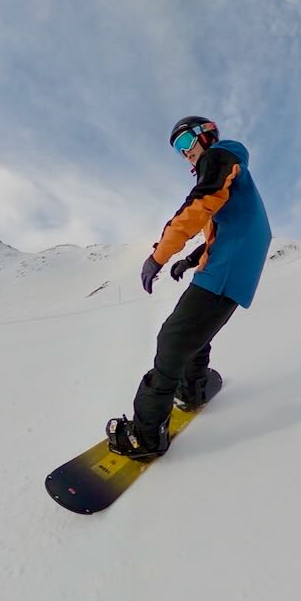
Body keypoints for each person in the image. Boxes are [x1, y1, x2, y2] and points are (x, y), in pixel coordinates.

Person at [106, 116, 272, 460]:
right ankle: (193, 388)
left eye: (185, 144)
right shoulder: (233, 171)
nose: (185, 155)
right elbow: (224, 224)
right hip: (229, 269)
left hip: (225, 270)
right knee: (193, 331)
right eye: (178, 151)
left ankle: (147, 435)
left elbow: (198, 207)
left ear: (206, 136)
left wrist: (160, 256)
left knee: (172, 339)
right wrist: (192, 258)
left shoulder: (220, 157)